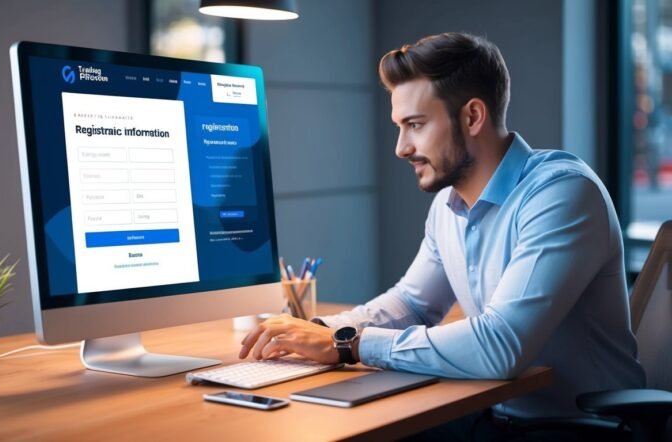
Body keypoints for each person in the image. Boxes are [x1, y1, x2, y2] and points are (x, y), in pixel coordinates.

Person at [239, 32, 645, 439]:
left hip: (583, 429)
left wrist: (348, 344)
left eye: (414, 125)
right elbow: (412, 304)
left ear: (472, 117)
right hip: (495, 416)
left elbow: (499, 345)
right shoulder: (449, 205)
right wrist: (317, 330)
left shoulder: (562, 194)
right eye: (400, 127)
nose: (401, 147)